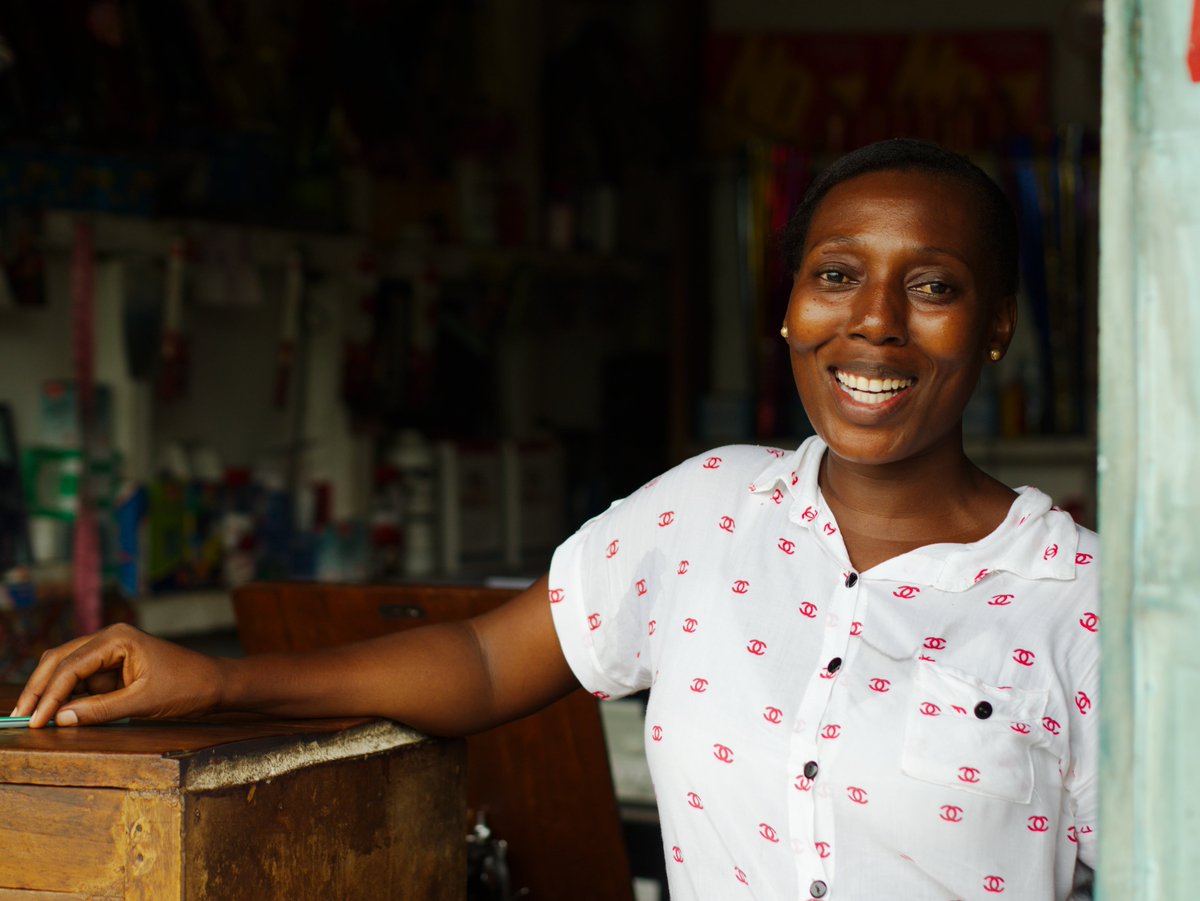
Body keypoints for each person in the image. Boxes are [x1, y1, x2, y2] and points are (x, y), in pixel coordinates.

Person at [14, 139, 1097, 901]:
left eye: (935, 287)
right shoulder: (707, 510)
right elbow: (488, 662)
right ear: (789, 308)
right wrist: (221, 680)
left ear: (997, 326)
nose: (873, 322)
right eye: (837, 274)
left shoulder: (1082, 599)